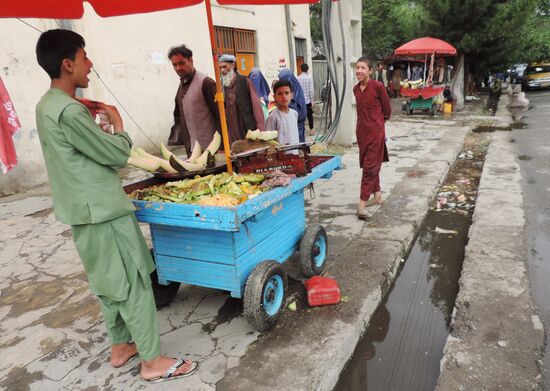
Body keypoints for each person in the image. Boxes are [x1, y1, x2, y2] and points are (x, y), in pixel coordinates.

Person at [34, 29, 197, 383]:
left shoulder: (47, 106)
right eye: (84, 57)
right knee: (134, 281)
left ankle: (121, 345)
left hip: (80, 211)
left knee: (107, 282)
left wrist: (98, 129)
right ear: (67, 64)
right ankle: (152, 361)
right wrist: (119, 127)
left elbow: (83, 154)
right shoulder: (69, 112)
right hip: (103, 210)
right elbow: (116, 155)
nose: (90, 64)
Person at [353, 57, 392, 220]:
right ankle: (377, 196)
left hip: (376, 134)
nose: (359, 71)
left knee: (370, 167)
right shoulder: (355, 89)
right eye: (357, 68)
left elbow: (387, 110)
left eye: (363, 68)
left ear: (370, 71)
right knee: (370, 165)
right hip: (362, 133)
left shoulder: (378, 87)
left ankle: (362, 204)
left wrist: (377, 125)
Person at [168, 44, 220, 156]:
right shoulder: (182, 84)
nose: (178, 68)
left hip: (210, 151)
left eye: (181, 63)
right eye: (174, 65)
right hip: (191, 149)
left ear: (190, 61)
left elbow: (220, 116)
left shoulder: (206, 83)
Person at [218, 54, 265, 145]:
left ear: (232, 65)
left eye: (224, 67)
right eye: (220, 68)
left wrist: (260, 130)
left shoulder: (245, 81)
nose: (222, 70)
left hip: (246, 130)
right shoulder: (222, 85)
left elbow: (256, 106)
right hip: (231, 134)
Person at [265, 80, 299, 148]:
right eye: (280, 94)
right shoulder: (273, 117)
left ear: (291, 95)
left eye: (286, 93)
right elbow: (268, 142)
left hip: (295, 154)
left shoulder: (294, 114)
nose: (284, 96)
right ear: (275, 97)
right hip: (281, 156)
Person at [278, 69, 307, 143]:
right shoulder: (291, 87)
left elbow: (299, 108)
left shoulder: (296, 90)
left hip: (298, 120)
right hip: (290, 121)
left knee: (297, 142)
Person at [297, 63, 315, 135]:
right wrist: (312, 100)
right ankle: (311, 130)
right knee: (309, 115)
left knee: (301, 115)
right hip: (308, 101)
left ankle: (302, 129)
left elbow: (297, 90)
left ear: (301, 69)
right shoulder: (309, 78)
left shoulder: (297, 78)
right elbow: (311, 90)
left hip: (300, 100)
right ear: (307, 69)